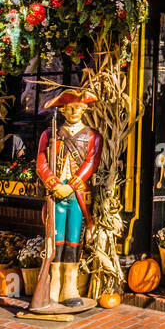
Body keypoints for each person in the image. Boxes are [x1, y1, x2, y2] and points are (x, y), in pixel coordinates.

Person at [35, 89, 103, 308]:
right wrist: (53, 183)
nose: (74, 111)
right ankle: (53, 285)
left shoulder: (93, 136)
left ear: (84, 109)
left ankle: (70, 287)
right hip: (56, 194)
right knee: (56, 240)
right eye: (70, 107)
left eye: (79, 107)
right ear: (62, 109)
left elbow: (91, 163)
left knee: (74, 240)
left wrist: (72, 185)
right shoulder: (50, 134)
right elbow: (41, 162)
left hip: (76, 195)